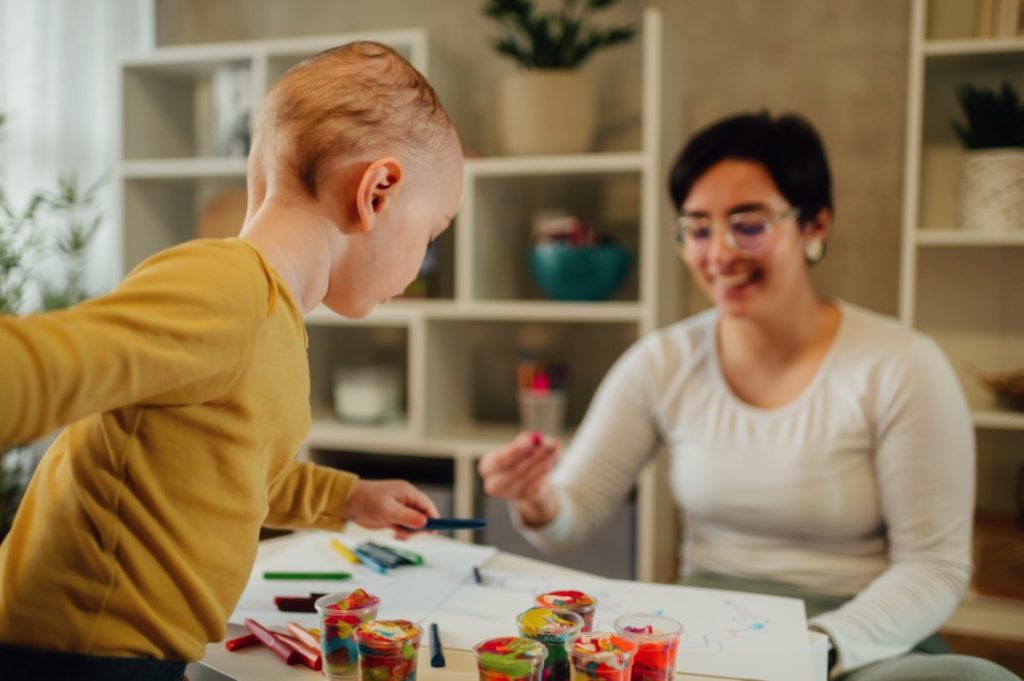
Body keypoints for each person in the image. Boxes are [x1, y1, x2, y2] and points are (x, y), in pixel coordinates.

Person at [479, 112, 1021, 681]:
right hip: (709, 634)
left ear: (814, 226)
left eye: (749, 224)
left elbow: (934, 568)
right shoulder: (662, 361)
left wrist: (814, 650)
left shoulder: (902, 366)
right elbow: (574, 516)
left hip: (859, 641)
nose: (719, 253)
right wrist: (537, 498)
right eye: (698, 227)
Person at [0, 41, 463, 680]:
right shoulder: (227, 288)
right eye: (433, 234)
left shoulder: (273, 319)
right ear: (377, 193)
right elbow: (40, 368)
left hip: (130, 650)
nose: (421, 262)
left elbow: (237, 474)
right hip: (78, 651)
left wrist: (351, 497)